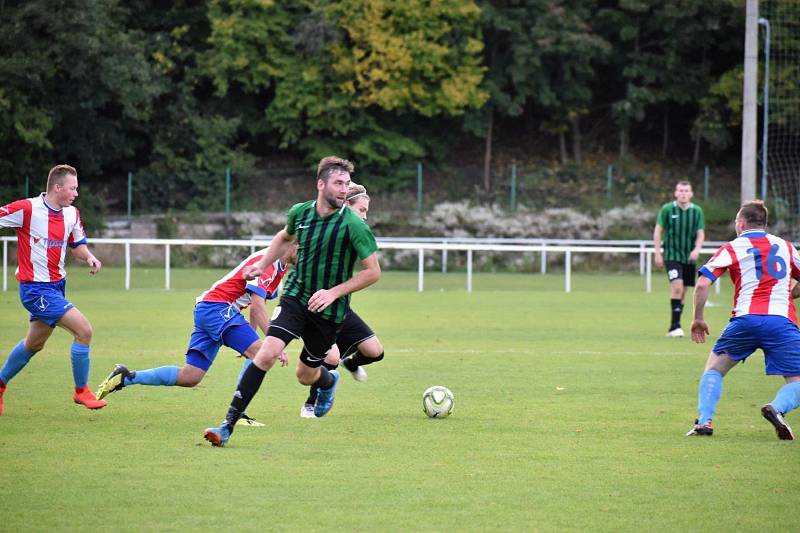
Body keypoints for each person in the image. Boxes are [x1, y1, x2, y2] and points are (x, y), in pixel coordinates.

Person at [203, 155, 381, 446]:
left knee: (304, 375)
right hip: (296, 298)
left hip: (329, 311)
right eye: (338, 183)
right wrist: (263, 265)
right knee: (266, 354)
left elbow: (373, 272)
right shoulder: (301, 212)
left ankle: (327, 381)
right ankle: (227, 425)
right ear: (320, 184)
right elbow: (283, 238)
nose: (343, 189)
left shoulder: (354, 225)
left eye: (346, 184)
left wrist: (334, 292)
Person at [94, 245, 297, 425]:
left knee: (190, 377)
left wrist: (251, 335)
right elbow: (258, 309)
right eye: (303, 248)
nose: (306, 255)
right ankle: (237, 414)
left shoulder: (280, 267)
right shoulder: (267, 264)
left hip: (209, 309)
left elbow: (255, 303)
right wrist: (273, 343)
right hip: (218, 308)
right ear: (291, 244)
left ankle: (127, 377)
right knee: (262, 355)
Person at [686, 200, 800, 440]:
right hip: (781, 322)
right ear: (764, 224)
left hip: (745, 320)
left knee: (714, 370)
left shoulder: (733, 247)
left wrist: (698, 318)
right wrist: (788, 294)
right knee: (796, 380)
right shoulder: (785, 246)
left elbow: (703, 283)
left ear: (740, 224)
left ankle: (704, 422)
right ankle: (777, 408)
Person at [0, 164, 107, 414]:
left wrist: (89, 257)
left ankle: (0, 384)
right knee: (84, 330)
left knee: (33, 344)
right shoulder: (26, 209)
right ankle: (82, 391)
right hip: (35, 290)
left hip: (57, 288)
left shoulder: (72, 214)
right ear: (57, 188)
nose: (76, 193)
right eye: (73, 188)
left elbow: (77, 245)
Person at [299, 182, 385, 418]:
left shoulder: (352, 230)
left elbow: (371, 269)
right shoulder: (321, 228)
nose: (365, 217)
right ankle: (311, 403)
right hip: (316, 308)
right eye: (362, 210)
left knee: (375, 352)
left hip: (339, 306)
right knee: (331, 356)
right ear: (346, 206)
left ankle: (351, 362)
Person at [653, 181, 705, 337]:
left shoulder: (697, 211)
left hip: (688, 258)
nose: (683, 193)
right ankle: (674, 327)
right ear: (676, 193)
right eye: (680, 190)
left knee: (683, 291)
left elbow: (701, 233)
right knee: (677, 287)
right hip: (672, 256)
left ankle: (676, 324)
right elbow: (658, 230)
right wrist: (657, 253)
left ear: (691, 194)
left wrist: (697, 249)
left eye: (686, 190)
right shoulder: (668, 209)